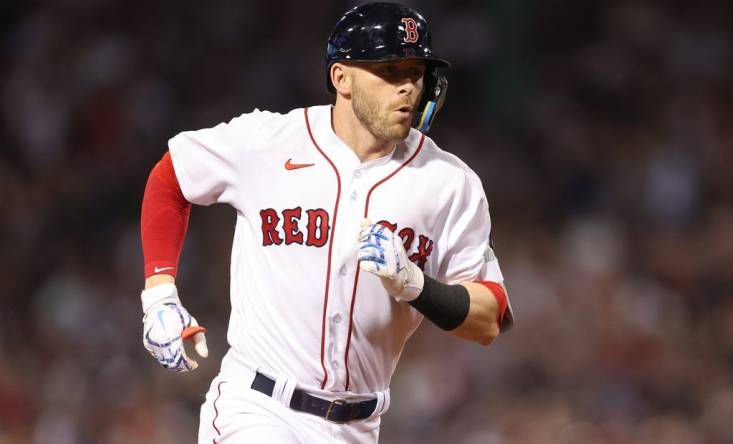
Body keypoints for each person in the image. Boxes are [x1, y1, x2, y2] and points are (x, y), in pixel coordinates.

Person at [139, 2, 513, 443]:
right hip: (258, 407)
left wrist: (416, 285)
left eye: (416, 72)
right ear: (342, 78)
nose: (408, 87)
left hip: (358, 427)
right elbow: (172, 176)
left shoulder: (449, 183)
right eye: (390, 70)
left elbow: (491, 318)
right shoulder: (267, 142)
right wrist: (159, 294)